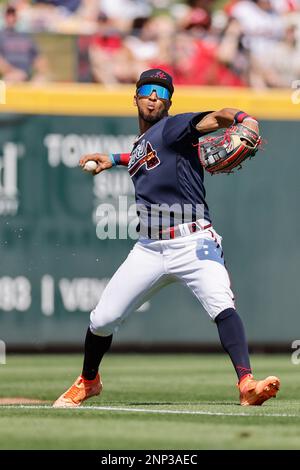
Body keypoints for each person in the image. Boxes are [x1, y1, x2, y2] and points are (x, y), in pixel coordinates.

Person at [53, 68, 280, 408]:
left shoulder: (174, 127)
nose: (154, 95)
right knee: (101, 320)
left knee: (223, 305)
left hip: (194, 242)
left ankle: (247, 383)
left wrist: (245, 118)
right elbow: (143, 156)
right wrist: (113, 159)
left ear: (169, 101)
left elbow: (219, 116)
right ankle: (89, 381)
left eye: (162, 91)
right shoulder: (144, 143)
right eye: (147, 89)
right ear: (136, 96)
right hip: (149, 248)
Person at [0, 5, 48, 82]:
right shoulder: (1, 36)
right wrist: (12, 72)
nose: (11, 18)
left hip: (27, 75)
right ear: (5, 17)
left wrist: (41, 74)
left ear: (17, 17)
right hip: (10, 76)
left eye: (13, 15)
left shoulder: (25, 36)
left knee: (41, 81)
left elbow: (38, 57)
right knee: (11, 79)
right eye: (9, 15)